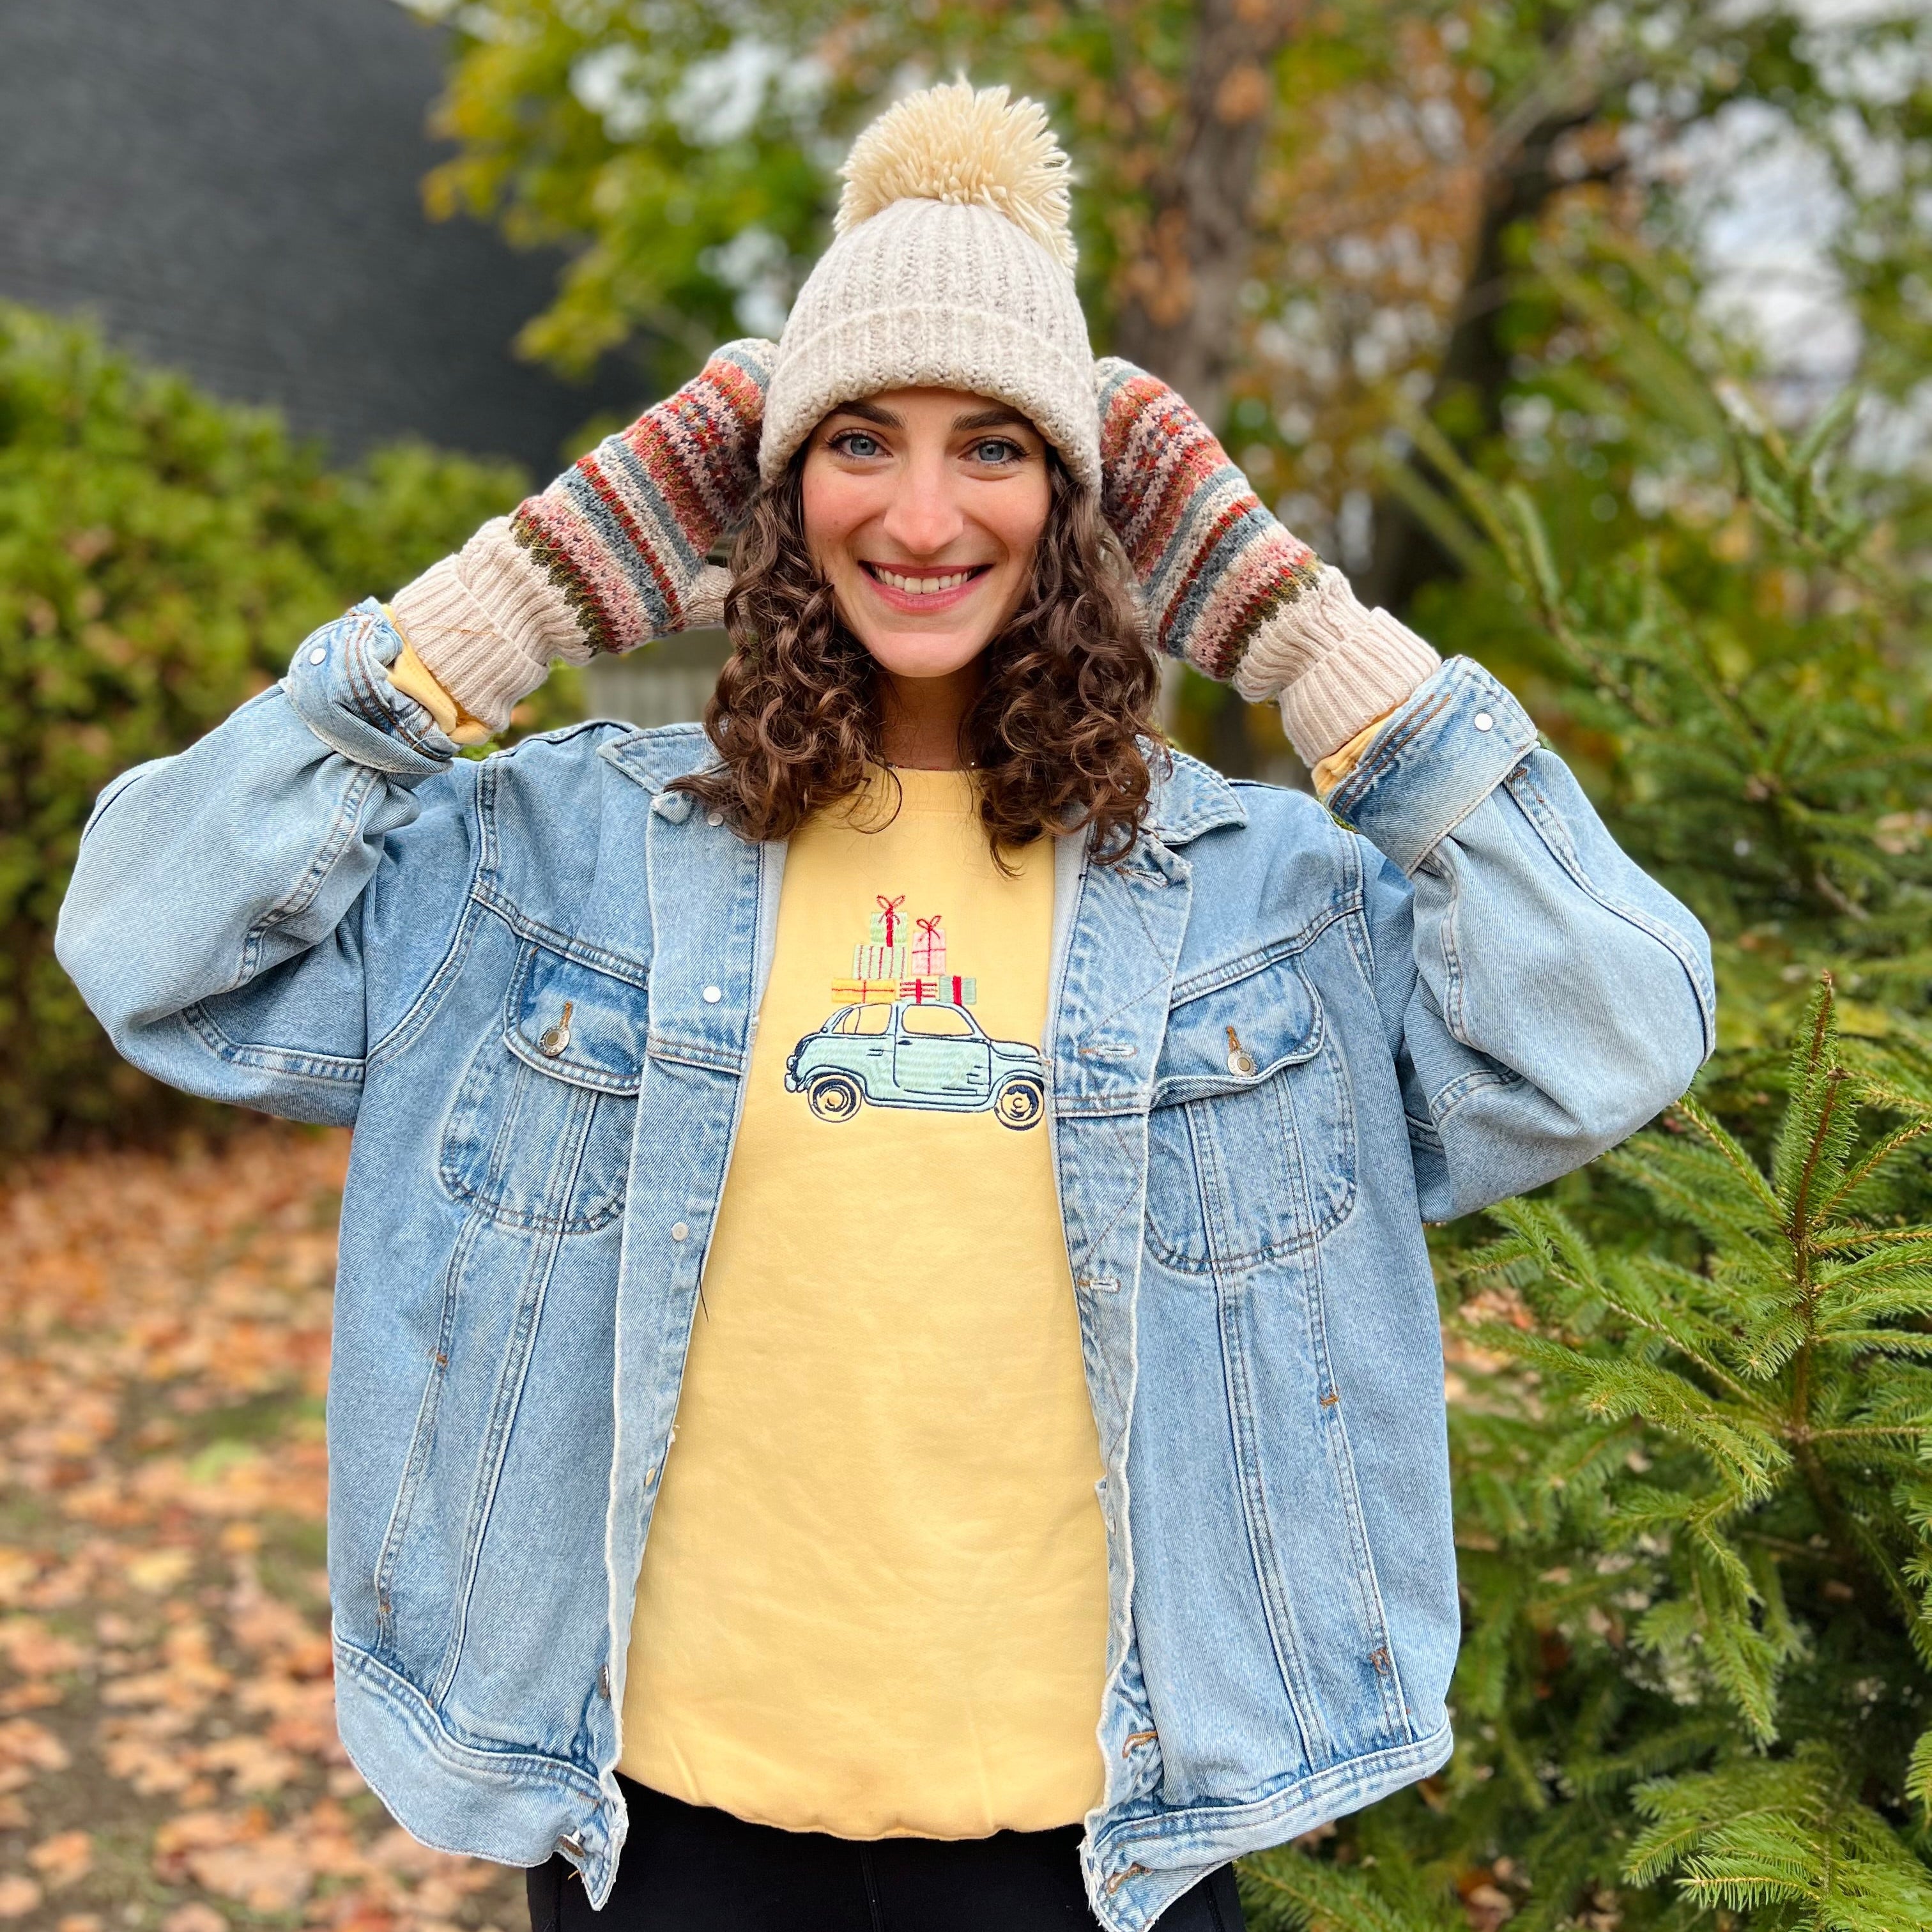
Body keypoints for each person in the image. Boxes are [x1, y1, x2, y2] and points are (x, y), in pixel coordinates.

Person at [56, 81, 1713, 1932]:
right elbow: (149, 942)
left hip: (1101, 1846)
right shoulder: (560, 859)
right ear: (768, 495)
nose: (922, 517)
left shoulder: (1258, 900)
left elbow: (1614, 1029)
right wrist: (513, 599)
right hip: (666, 1829)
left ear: (1089, 510)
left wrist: (1297, 631)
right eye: (858, 440)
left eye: (995, 447)